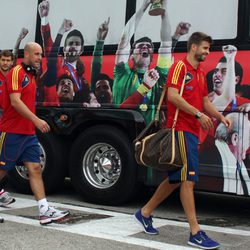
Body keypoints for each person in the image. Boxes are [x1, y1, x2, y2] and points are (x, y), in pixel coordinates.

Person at [134, 32, 231, 249]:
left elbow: (205, 100)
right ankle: (195, 232)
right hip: (180, 130)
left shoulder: (199, 72)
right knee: (188, 179)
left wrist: (220, 116)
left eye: (208, 49)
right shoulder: (180, 67)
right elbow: (172, 96)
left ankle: (145, 212)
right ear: (193, 46)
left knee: (176, 178)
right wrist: (198, 114)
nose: (207, 52)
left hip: (191, 132)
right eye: (204, 48)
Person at [0, 42, 70, 225]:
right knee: (2, 170)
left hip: (28, 133)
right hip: (12, 131)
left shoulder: (32, 75)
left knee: (35, 169)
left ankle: (44, 210)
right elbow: (15, 102)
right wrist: (36, 120)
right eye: (37, 54)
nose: (40, 58)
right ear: (28, 54)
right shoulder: (17, 72)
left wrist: (32, 124)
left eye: (41, 54)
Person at [113, 0, 190, 125]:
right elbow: (125, 39)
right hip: (122, 129)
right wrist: (144, 5)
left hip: (149, 134)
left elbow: (166, 44)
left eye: (148, 46)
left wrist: (164, 11)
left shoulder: (159, 76)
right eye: (140, 46)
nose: (144, 47)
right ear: (131, 55)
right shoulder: (122, 73)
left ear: (153, 56)